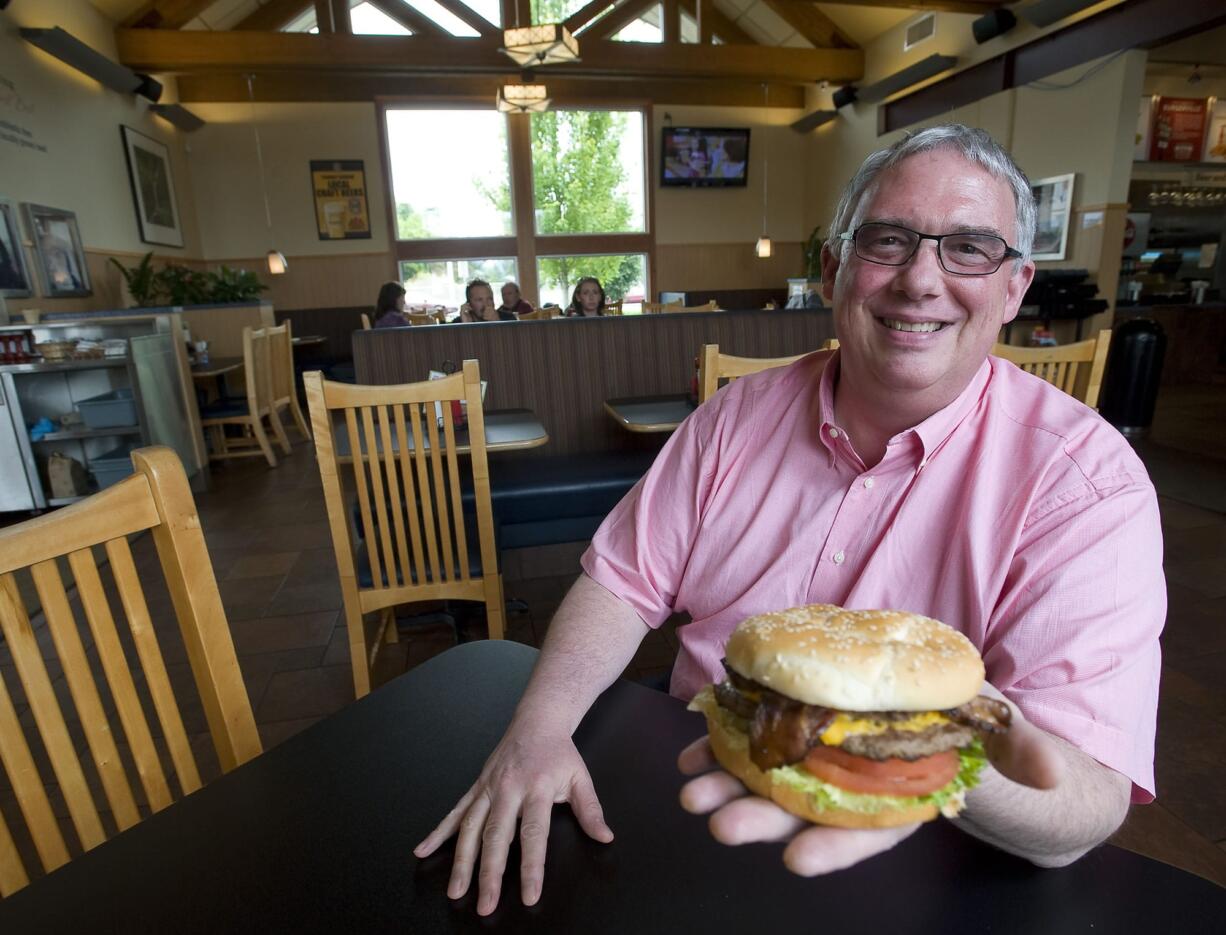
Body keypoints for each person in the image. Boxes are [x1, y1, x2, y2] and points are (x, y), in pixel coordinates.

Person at [414, 125, 1164, 917]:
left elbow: (1083, 800)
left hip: (931, 859)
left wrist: (908, 760)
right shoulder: (733, 417)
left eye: (969, 249)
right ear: (836, 267)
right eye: (888, 240)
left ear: (1014, 288)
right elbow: (622, 586)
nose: (920, 280)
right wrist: (537, 730)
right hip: (690, 799)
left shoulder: (1088, 486)